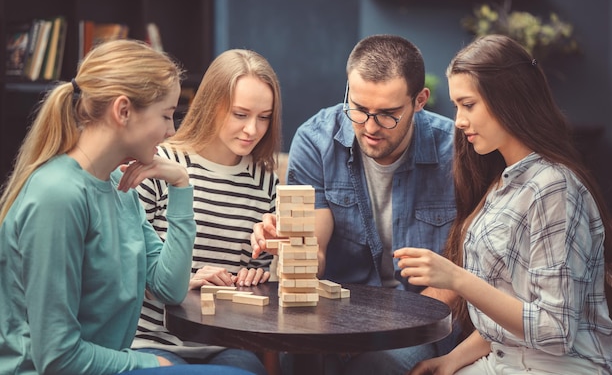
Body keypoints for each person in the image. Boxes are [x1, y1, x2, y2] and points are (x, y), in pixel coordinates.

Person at [395, 34, 612, 375]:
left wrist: (456, 278)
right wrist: (451, 361)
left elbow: (555, 330)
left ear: (508, 100)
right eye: (457, 106)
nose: (458, 120)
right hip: (503, 362)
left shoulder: (553, 188)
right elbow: (511, 315)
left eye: (468, 105)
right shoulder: (500, 185)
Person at [251, 34, 458, 374]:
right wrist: (291, 247)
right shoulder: (316, 141)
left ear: (420, 100)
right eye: (359, 109)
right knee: (297, 361)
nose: (370, 127)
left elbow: (465, 272)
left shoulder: (455, 151)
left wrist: (381, 331)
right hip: (338, 319)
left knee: (375, 367)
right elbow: (314, 254)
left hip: (421, 320)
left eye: (388, 114)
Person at [0, 39, 199, 373]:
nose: (171, 131)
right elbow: (57, 357)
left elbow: (169, 288)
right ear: (123, 111)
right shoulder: (57, 195)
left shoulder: (120, 187)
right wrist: (147, 362)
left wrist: (181, 184)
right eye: (166, 116)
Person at [131, 49, 281, 374]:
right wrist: (182, 280)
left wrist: (257, 277)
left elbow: (258, 277)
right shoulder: (160, 165)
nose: (252, 130)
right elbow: (126, 268)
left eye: (264, 117)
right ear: (211, 104)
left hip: (227, 344)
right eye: (240, 114)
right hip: (152, 341)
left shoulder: (265, 181)